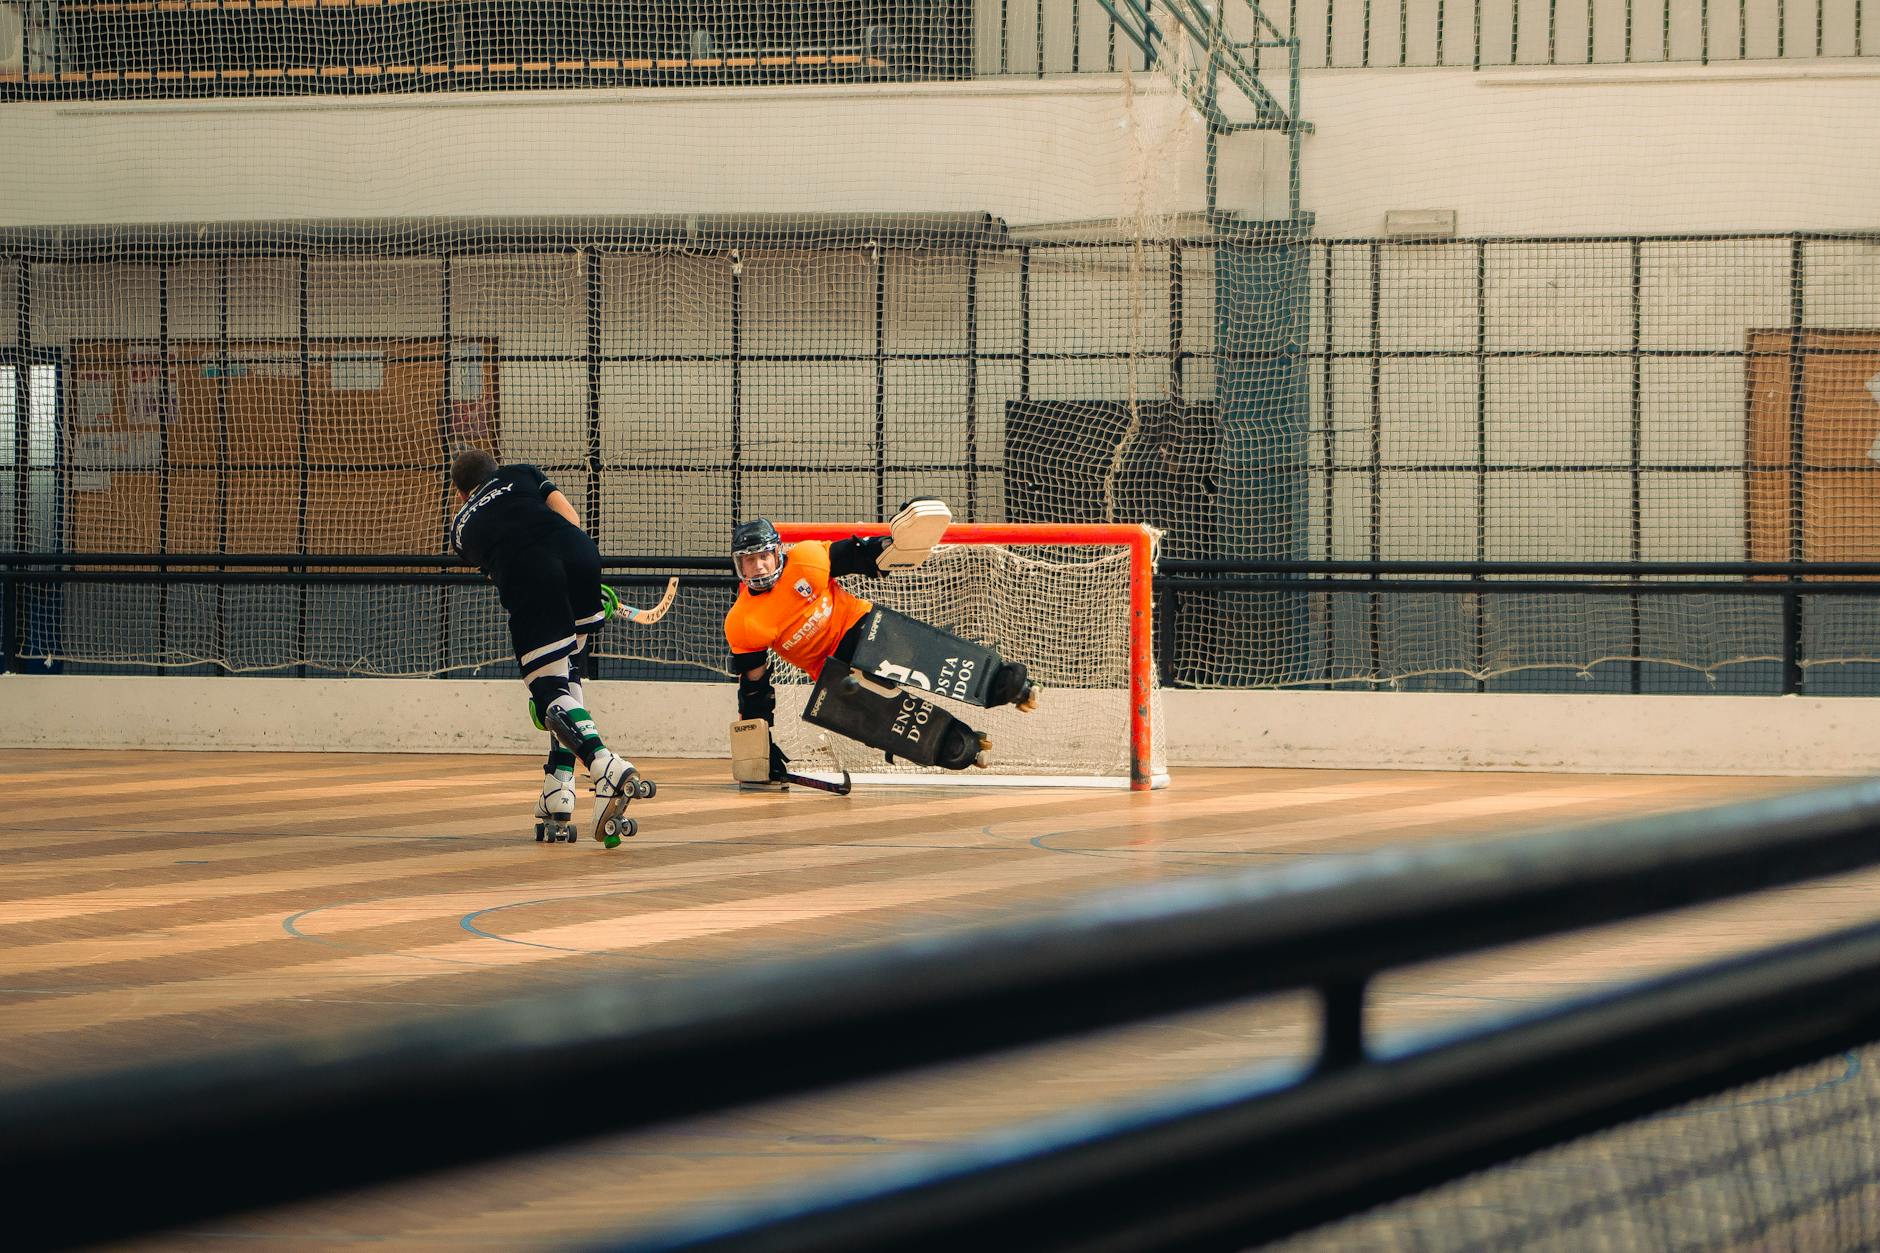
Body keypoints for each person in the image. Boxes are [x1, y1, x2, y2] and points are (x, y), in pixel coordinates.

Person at [722, 500, 1038, 787]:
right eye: (750, 560)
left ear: (778, 552)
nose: (760, 566)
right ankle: (961, 747)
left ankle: (1002, 683)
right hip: (832, 674)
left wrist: (895, 547)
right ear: (740, 566)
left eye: (764, 556)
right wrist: (758, 743)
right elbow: (755, 687)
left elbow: (859, 555)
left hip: (861, 629)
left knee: (923, 658)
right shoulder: (743, 622)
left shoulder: (806, 559)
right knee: (893, 723)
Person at [448, 449, 649, 845]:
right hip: (580, 555)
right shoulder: (522, 473)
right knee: (567, 674)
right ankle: (559, 787)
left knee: (547, 692)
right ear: (497, 469)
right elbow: (570, 519)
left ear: (460, 495)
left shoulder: (460, 526)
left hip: (531, 572)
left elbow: (501, 561)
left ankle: (604, 764)